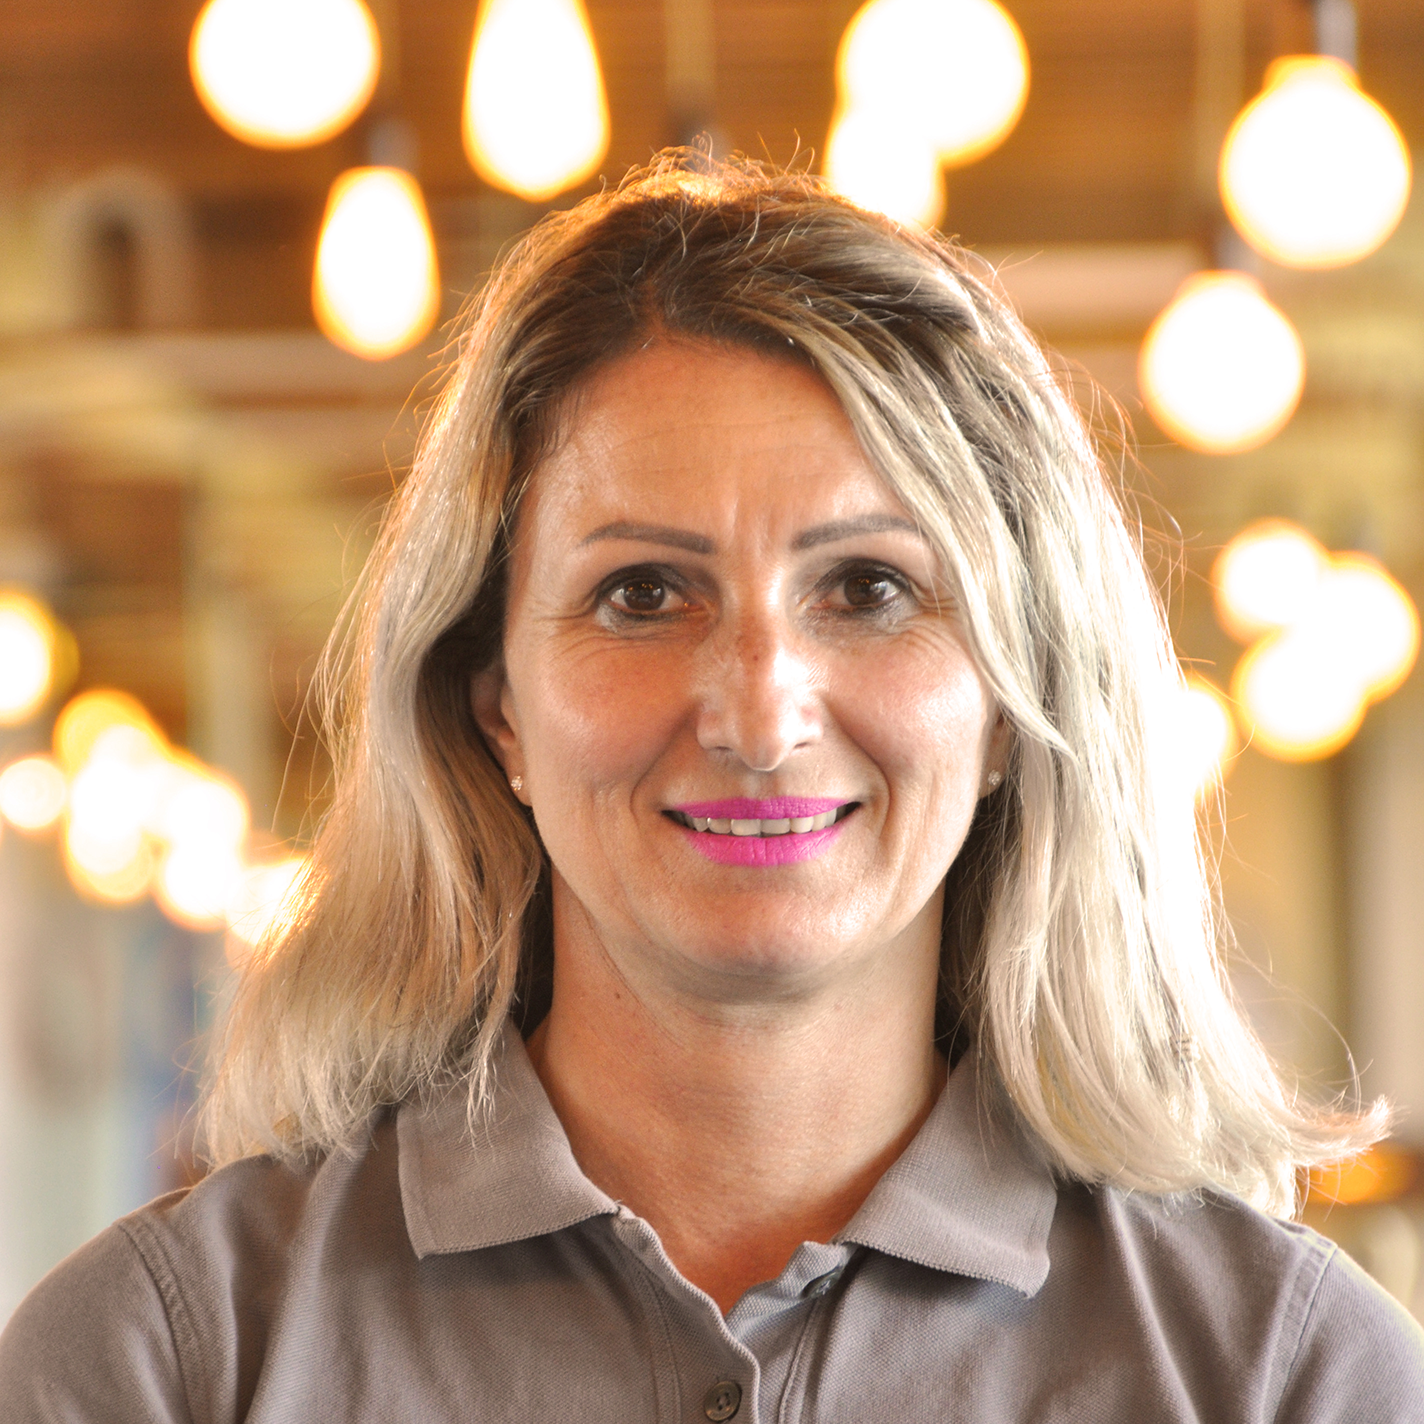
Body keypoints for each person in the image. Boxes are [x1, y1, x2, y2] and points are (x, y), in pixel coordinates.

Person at [2, 154, 1422, 1422]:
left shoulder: (1286, 1377)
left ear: (1011, 706)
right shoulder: (162, 1360)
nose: (757, 710)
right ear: (493, 704)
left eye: (869, 589)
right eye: (641, 593)